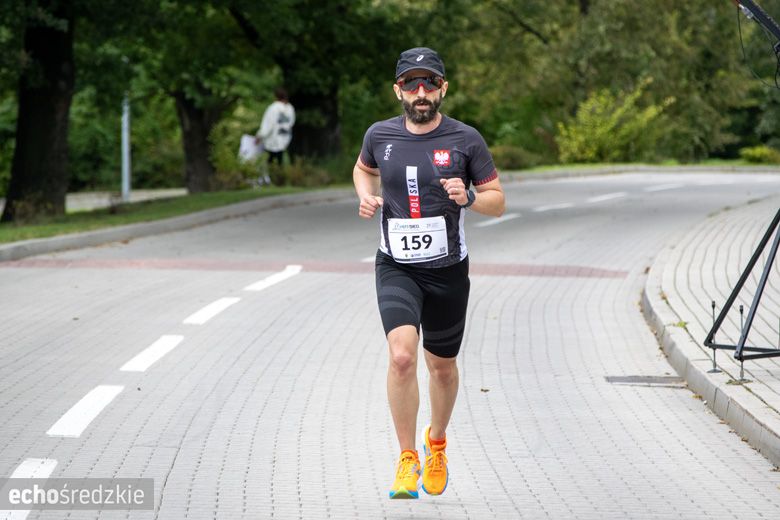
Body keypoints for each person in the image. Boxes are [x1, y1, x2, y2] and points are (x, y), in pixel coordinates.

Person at [353, 47, 505, 499]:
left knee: (441, 367)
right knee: (401, 356)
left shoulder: (466, 139)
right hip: (396, 265)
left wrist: (470, 198)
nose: (421, 92)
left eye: (430, 83)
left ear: (443, 88)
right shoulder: (379, 135)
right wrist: (366, 195)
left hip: (447, 271)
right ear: (397, 89)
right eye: (412, 83)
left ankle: (435, 441)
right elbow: (364, 171)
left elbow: (498, 200)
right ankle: (406, 459)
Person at [255, 87, 295, 182]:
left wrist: (260, 135)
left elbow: (268, 125)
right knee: (280, 160)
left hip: (272, 140)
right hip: (284, 138)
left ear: (276, 96)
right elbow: (291, 123)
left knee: (269, 160)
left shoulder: (273, 108)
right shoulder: (290, 109)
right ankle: (280, 179)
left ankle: (268, 179)